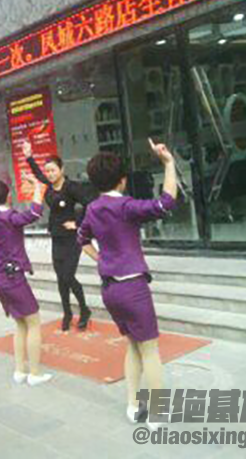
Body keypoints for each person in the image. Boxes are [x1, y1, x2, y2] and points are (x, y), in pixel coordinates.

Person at [77, 139, 177, 431]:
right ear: (122, 180)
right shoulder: (126, 206)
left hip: (110, 289)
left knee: (133, 346)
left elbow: (81, 239)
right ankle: (156, 415)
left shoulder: (93, 209)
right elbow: (165, 203)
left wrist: (102, 259)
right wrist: (169, 163)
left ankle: (133, 407)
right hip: (133, 288)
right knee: (150, 351)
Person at [0, 176, 53, 386]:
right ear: (8, 196)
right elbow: (35, 212)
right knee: (33, 322)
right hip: (14, 278)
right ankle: (34, 373)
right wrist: (37, 188)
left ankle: (19, 371)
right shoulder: (11, 217)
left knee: (20, 324)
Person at [22, 141, 96, 331]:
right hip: (56, 237)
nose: (50, 174)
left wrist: (78, 224)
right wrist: (29, 157)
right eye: (48, 171)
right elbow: (38, 175)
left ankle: (84, 310)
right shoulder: (49, 185)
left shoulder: (71, 187)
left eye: (53, 170)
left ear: (62, 170)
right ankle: (67, 313)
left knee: (68, 276)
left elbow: (90, 203)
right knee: (61, 279)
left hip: (72, 239)